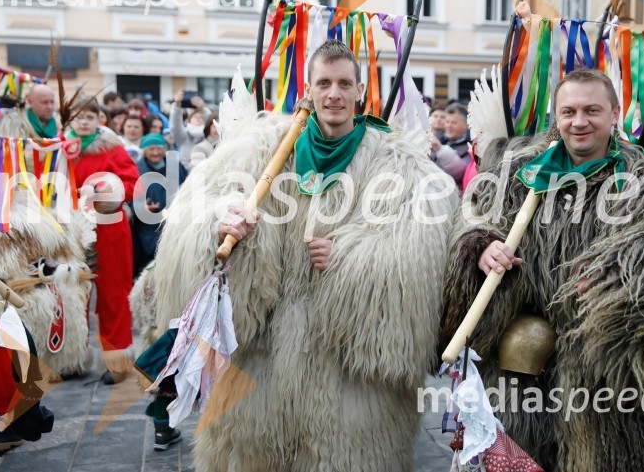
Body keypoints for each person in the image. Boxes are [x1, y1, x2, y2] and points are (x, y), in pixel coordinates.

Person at [152, 40, 457, 471]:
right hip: (261, 367)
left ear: (359, 92)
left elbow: (421, 248)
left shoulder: (400, 164)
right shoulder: (261, 148)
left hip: (347, 377)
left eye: (343, 84)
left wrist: (350, 259)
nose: (334, 93)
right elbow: (195, 211)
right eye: (324, 83)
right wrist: (223, 225)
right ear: (309, 90)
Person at [441, 68, 644, 472]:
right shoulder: (518, 175)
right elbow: (474, 222)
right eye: (569, 111)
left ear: (614, 115)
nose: (579, 121)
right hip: (522, 377)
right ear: (556, 117)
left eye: (592, 110)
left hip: (611, 391)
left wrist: (622, 283)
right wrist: (481, 247)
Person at [69, 98, 140, 385]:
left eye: (90, 116)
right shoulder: (62, 149)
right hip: (72, 230)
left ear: (101, 119)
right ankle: (73, 357)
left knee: (113, 294)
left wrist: (103, 190)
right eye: (78, 116)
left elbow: (133, 184)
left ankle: (117, 361)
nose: (83, 121)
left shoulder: (113, 148)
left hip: (109, 230)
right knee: (74, 293)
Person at [133, 133, 187, 277]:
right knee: (149, 265)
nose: (155, 153)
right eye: (151, 149)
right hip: (148, 228)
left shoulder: (175, 165)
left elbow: (188, 186)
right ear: (144, 151)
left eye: (158, 149)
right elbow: (129, 198)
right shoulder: (137, 169)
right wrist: (140, 207)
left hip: (174, 222)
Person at [431, 103, 471, 191]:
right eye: (447, 122)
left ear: (466, 125)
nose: (449, 125)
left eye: (454, 122)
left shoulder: (470, 146)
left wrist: (441, 150)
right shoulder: (442, 139)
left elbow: (461, 173)